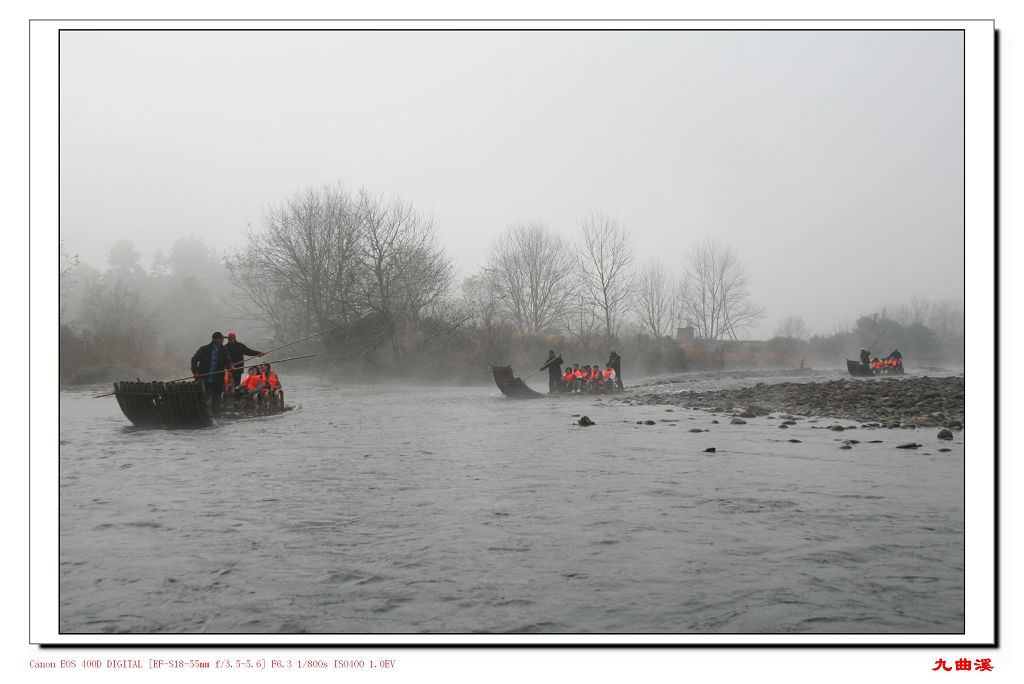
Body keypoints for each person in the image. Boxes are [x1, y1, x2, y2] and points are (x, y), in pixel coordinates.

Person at [191, 332, 235, 417]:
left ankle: (216, 416)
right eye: (221, 339)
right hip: (204, 378)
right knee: (202, 398)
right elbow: (194, 360)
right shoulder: (204, 349)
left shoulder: (224, 350)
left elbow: (228, 360)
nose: (222, 341)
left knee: (216, 399)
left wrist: (231, 367)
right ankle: (201, 415)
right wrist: (195, 372)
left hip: (217, 379)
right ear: (215, 340)